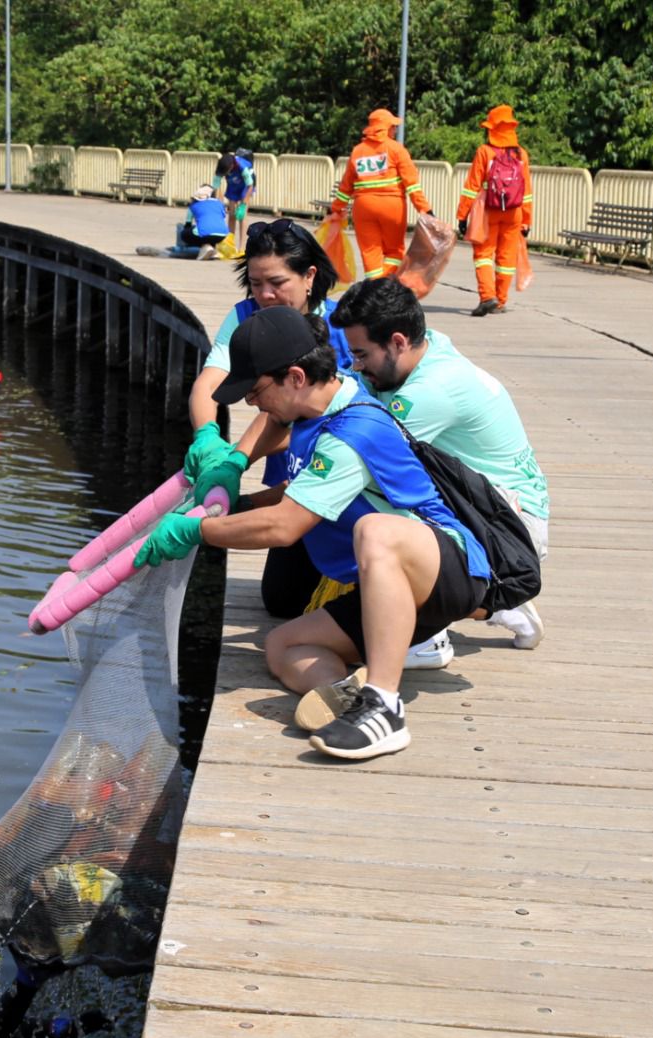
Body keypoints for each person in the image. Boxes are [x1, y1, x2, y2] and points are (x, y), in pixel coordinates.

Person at [139, 307, 490, 761]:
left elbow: (285, 526)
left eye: (256, 390)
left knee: (375, 530)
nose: (251, 404)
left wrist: (197, 530)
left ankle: (385, 708)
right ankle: (348, 696)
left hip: (449, 569)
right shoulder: (315, 409)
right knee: (283, 645)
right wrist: (238, 493)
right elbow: (295, 487)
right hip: (394, 587)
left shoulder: (353, 429)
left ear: (296, 377)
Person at [328, 276, 548, 667]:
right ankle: (493, 601)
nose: (357, 368)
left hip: (510, 529)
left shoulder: (429, 392)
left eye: (362, 356)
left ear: (398, 342)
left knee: (356, 494)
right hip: (491, 508)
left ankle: (428, 634)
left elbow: (359, 462)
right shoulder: (425, 347)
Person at [183, 218, 357, 620]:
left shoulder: (344, 327)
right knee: (282, 602)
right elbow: (209, 383)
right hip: (292, 480)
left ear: (309, 275)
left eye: (276, 282)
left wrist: (240, 458)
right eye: (256, 282)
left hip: (341, 476)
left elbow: (296, 421)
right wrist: (208, 436)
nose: (264, 294)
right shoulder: (247, 314)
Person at [331, 108, 432, 281]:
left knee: (370, 252)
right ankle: (383, 285)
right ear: (386, 128)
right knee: (394, 251)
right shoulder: (396, 149)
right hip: (392, 207)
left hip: (363, 207)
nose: (395, 130)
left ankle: (374, 288)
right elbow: (412, 184)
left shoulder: (358, 151)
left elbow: (346, 186)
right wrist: (425, 210)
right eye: (393, 126)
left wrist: (335, 209)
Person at [456, 105, 534, 316]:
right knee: (507, 257)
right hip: (514, 212)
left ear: (492, 129)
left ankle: (486, 296)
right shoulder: (521, 154)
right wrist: (527, 220)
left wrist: (462, 216)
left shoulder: (485, 152)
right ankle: (500, 301)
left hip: (488, 211)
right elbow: (527, 191)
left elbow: (472, 186)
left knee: (483, 254)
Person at [221, 147, 256, 246]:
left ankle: (242, 247)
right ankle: (230, 244)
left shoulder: (242, 167)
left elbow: (250, 186)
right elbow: (216, 185)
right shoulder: (222, 167)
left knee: (242, 216)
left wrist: (243, 205)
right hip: (233, 185)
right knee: (232, 214)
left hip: (246, 186)